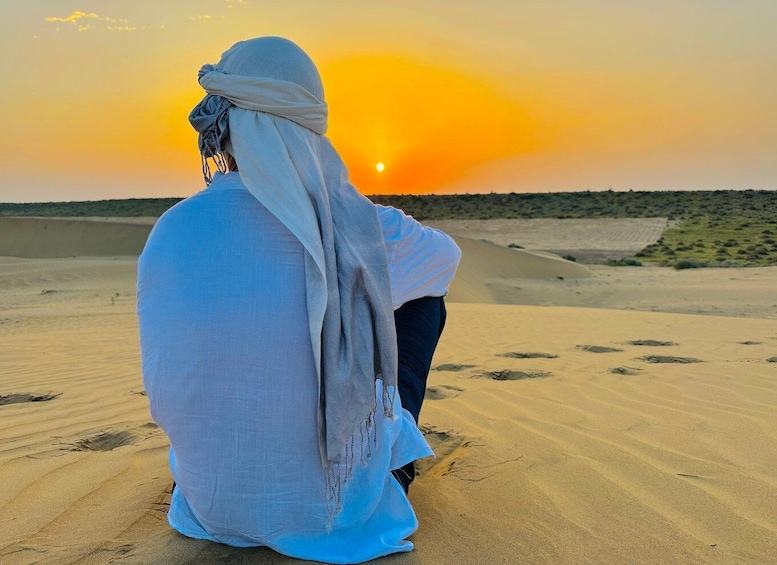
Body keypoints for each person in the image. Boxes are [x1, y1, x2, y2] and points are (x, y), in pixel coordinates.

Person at [137, 36, 460, 564]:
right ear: (310, 131)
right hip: (337, 513)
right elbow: (444, 260)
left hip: (206, 505)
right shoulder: (355, 226)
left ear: (225, 130)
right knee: (425, 299)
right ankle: (370, 452)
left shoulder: (171, 229)